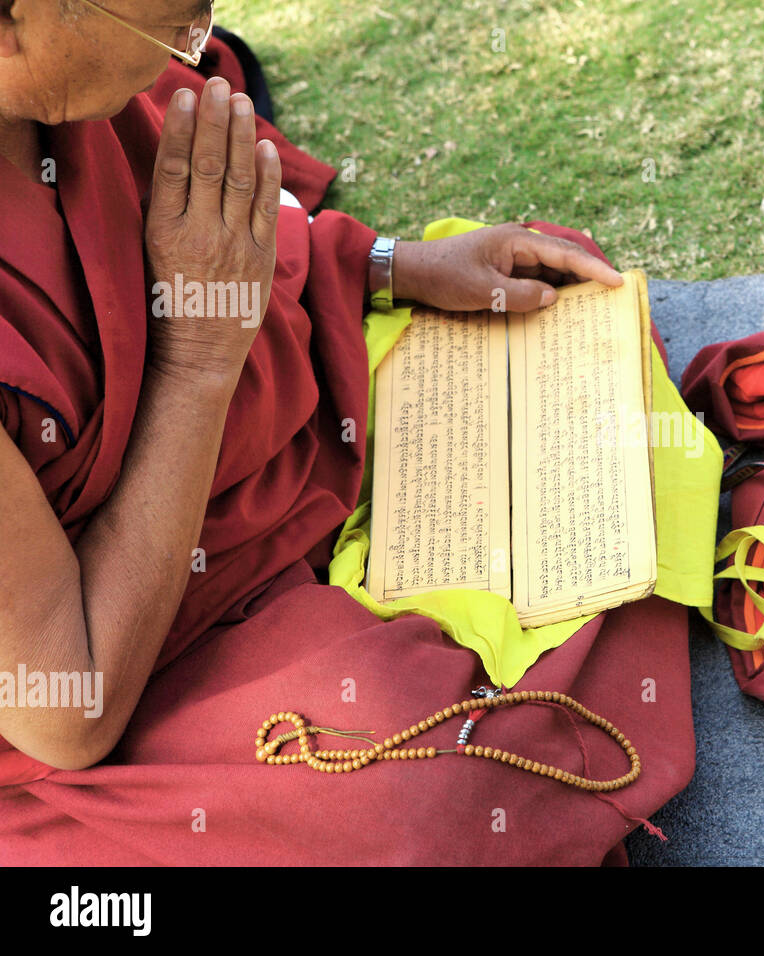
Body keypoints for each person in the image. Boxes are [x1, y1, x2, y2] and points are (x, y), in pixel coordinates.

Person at [0, 0, 694, 865]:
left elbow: (209, 221)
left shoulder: (71, 82)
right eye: (176, 31)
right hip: (126, 665)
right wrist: (200, 358)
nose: (200, 46)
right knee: (427, 808)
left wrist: (387, 265)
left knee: (553, 315)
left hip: (233, 470)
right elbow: (71, 709)